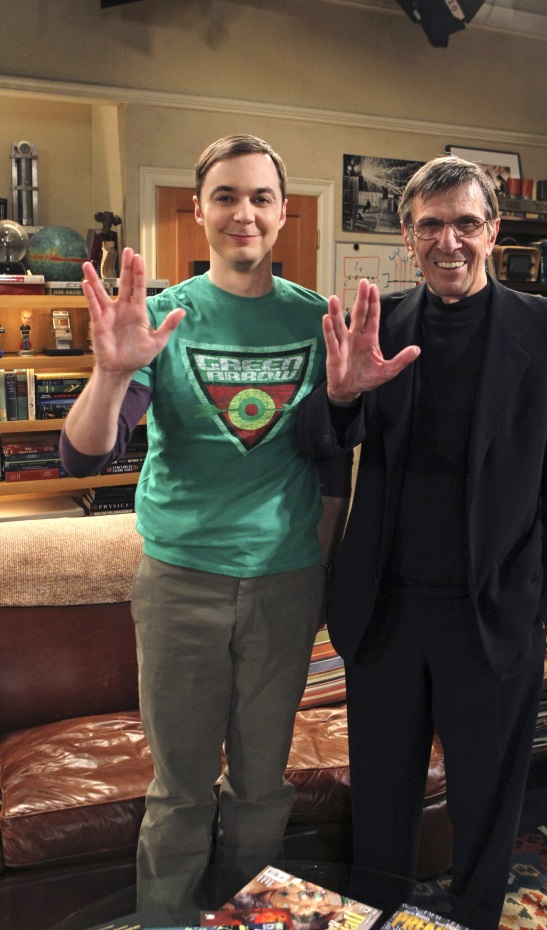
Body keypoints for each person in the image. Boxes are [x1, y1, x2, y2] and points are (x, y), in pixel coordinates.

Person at [295, 155, 547, 930]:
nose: (449, 241)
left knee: (486, 796)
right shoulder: (376, 325)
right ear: (407, 235)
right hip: (384, 608)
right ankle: (376, 910)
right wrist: (340, 396)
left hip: (493, 609)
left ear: (493, 231)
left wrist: (543, 593)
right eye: (430, 225)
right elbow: (316, 443)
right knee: (382, 791)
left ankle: (473, 915)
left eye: (466, 223)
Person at [60, 134, 350, 923]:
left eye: (261, 197)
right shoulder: (161, 318)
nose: (243, 213)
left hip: (285, 583)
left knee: (261, 786)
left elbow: (332, 465)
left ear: (283, 213)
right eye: (226, 196)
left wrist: (320, 573)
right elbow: (84, 454)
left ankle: (247, 916)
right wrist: (112, 371)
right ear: (200, 210)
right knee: (180, 789)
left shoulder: (316, 321)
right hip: (180, 584)